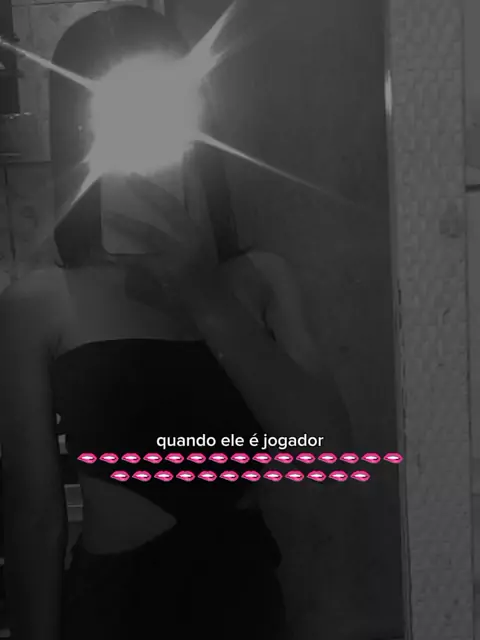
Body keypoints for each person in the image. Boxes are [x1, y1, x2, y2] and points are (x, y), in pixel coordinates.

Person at [0, 6, 351, 640]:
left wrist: (206, 296)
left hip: (244, 607)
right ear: (81, 132)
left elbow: (328, 458)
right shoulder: (39, 302)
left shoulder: (259, 280)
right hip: (115, 613)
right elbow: (34, 517)